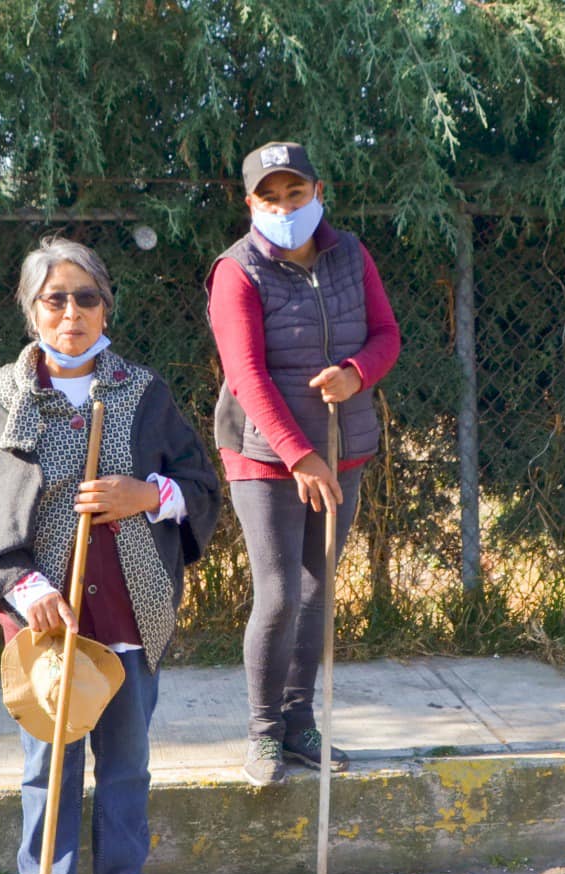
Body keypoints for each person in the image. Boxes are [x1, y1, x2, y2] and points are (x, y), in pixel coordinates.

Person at [0, 236, 220, 874]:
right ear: (31, 310)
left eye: (85, 297)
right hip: (48, 619)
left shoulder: (143, 393)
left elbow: (200, 487)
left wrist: (147, 494)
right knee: (52, 764)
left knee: (127, 761)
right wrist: (23, 583)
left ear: (106, 307)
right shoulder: (5, 400)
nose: (70, 312)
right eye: (54, 299)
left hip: (130, 608)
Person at [206, 141, 401, 787]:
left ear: (321, 192)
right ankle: (263, 735)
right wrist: (299, 456)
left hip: (344, 445)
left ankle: (300, 725)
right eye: (271, 198)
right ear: (250, 204)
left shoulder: (352, 255)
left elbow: (386, 335)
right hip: (264, 454)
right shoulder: (237, 271)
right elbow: (246, 375)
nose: (285, 208)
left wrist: (356, 373)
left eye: (297, 194)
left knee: (318, 593)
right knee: (281, 593)